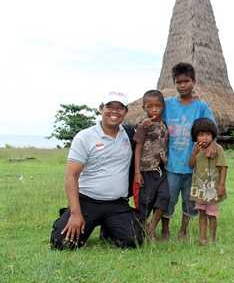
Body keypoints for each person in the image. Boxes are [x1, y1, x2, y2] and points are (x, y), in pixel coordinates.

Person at [50, 92, 143, 249]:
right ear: (101, 109)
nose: (114, 112)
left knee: (133, 241)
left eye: (120, 108)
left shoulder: (129, 134)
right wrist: (75, 213)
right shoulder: (84, 137)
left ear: (125, 112)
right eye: (109, 107)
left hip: (117, 203)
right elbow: (71, 176)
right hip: (87, 200)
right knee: (62, 243)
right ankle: (67, 216)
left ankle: (108, 227)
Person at [162, 62, 217, 240]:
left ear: (193, 81)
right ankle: (165, 230)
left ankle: (184, 231)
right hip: (171, 164)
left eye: (186, 81)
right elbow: (156, 125)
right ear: (174, 83)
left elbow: (212, 129)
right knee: (168, 199)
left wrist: (213, 145)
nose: (182, 85)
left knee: (189, 200)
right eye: (178, 82)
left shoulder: (201, 107)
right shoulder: (167, 105)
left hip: (194, 166)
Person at [133, 90, 170, 240]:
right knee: (145, 203)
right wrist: (137, 172)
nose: (154, 109)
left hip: (161, 169)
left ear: (163, 107)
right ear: (144, 107)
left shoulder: (164, 124)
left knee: (165, 197)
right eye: (150, 106)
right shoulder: (143, 125)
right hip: (145, 170)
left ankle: (151, 227)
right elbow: (138, 148)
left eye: (158, 106)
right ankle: (140, 230)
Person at [189, 118, 228, 245]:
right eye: (201, 135)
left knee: (212, 214)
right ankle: (202, 238)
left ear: (212, 135)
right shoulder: (196, 149)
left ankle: (212, 238)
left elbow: (223, 167)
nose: (204, 138)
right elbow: (190, 165)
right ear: (196, 136)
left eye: (207, 135)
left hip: (213, 189)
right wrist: (194, 154)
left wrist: (221, 185)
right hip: (199, 188)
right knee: (201, 213)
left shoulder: (218, 149)